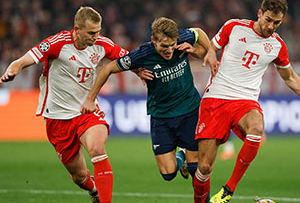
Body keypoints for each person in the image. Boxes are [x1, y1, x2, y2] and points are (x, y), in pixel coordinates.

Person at [194, 0, 300, 203]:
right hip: (216, 98)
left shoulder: (277, 45)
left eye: (277, 23)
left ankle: (229, 189)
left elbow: (289, 77)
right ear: (259, 13)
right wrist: (193, 51)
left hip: (245, 101)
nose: (271, 26)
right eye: (268, 20)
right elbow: (208, 49)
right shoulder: (234, 27)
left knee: (256, 127)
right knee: (204, 168)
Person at [0, 6, 131, 203]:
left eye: (98, 31)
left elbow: (130, 59)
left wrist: (141, 73)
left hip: (86, 111)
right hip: (57, 117)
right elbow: (24, 59)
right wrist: (13, 70)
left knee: (96, 148)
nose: (96, 36)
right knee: (79, 176)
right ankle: (94, 190)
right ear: (77, 29)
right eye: (91, 32)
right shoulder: (57, 43)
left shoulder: (102, 44)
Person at [80, 17, 217, 203]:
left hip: (189, 110)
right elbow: (107, 69)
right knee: (168, 173)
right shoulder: (142, 55)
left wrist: (208, 51)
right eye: (164, 46)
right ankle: (181, 155)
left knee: (197, 169)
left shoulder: (183, 38)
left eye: (172, 45)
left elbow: (198, 33)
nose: (169, 50)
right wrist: (90, 98)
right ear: (154, 40)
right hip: (161, 117)